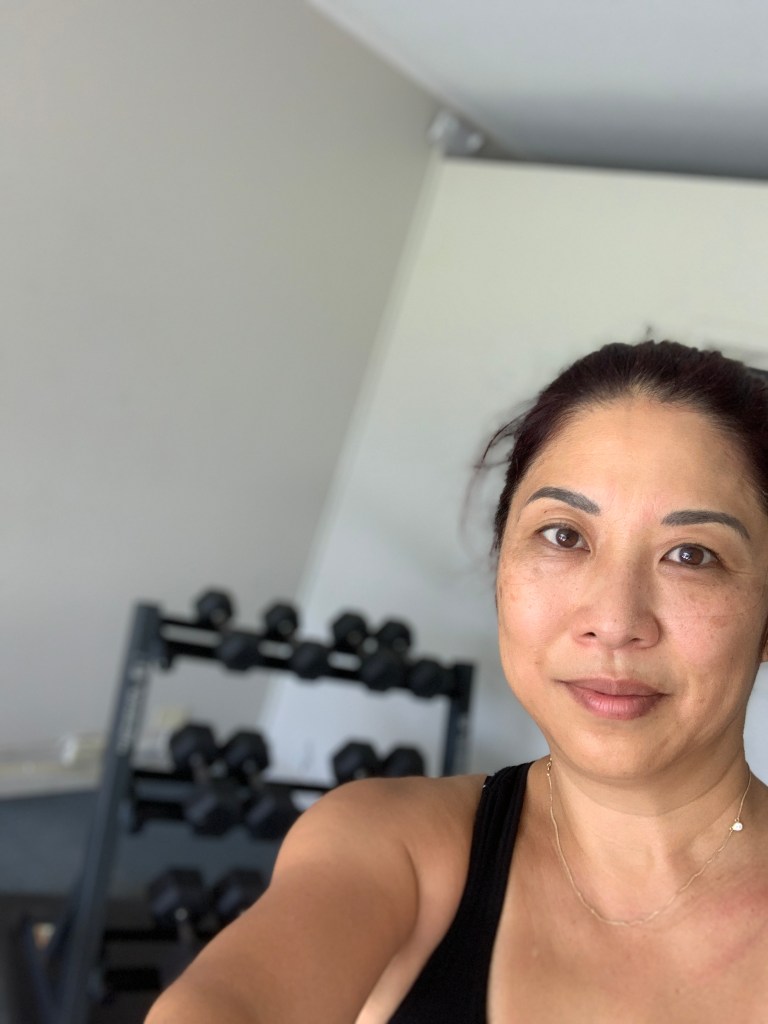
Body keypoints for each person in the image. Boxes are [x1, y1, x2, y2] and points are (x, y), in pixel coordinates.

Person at [146, 340, 768, 1023]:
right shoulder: (393, 847)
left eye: (692, 554)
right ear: (502, 571)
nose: (615, 622)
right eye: (564, 536)